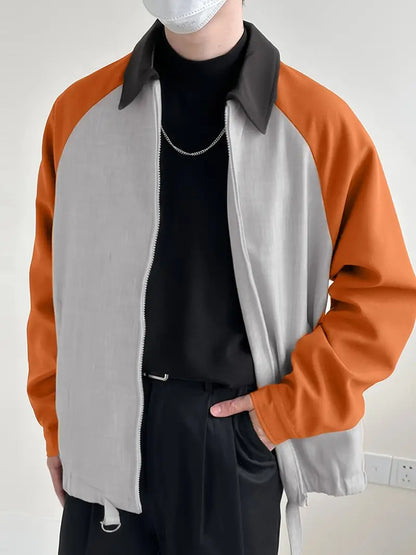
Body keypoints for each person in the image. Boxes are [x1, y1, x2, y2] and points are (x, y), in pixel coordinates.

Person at [26, 1, 416, 554]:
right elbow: (52, 288)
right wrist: (58, 423)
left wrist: (276, 416)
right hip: (101, 432)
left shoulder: (320, 126)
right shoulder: (77, 116)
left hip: (231, 438)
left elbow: (383, 298)